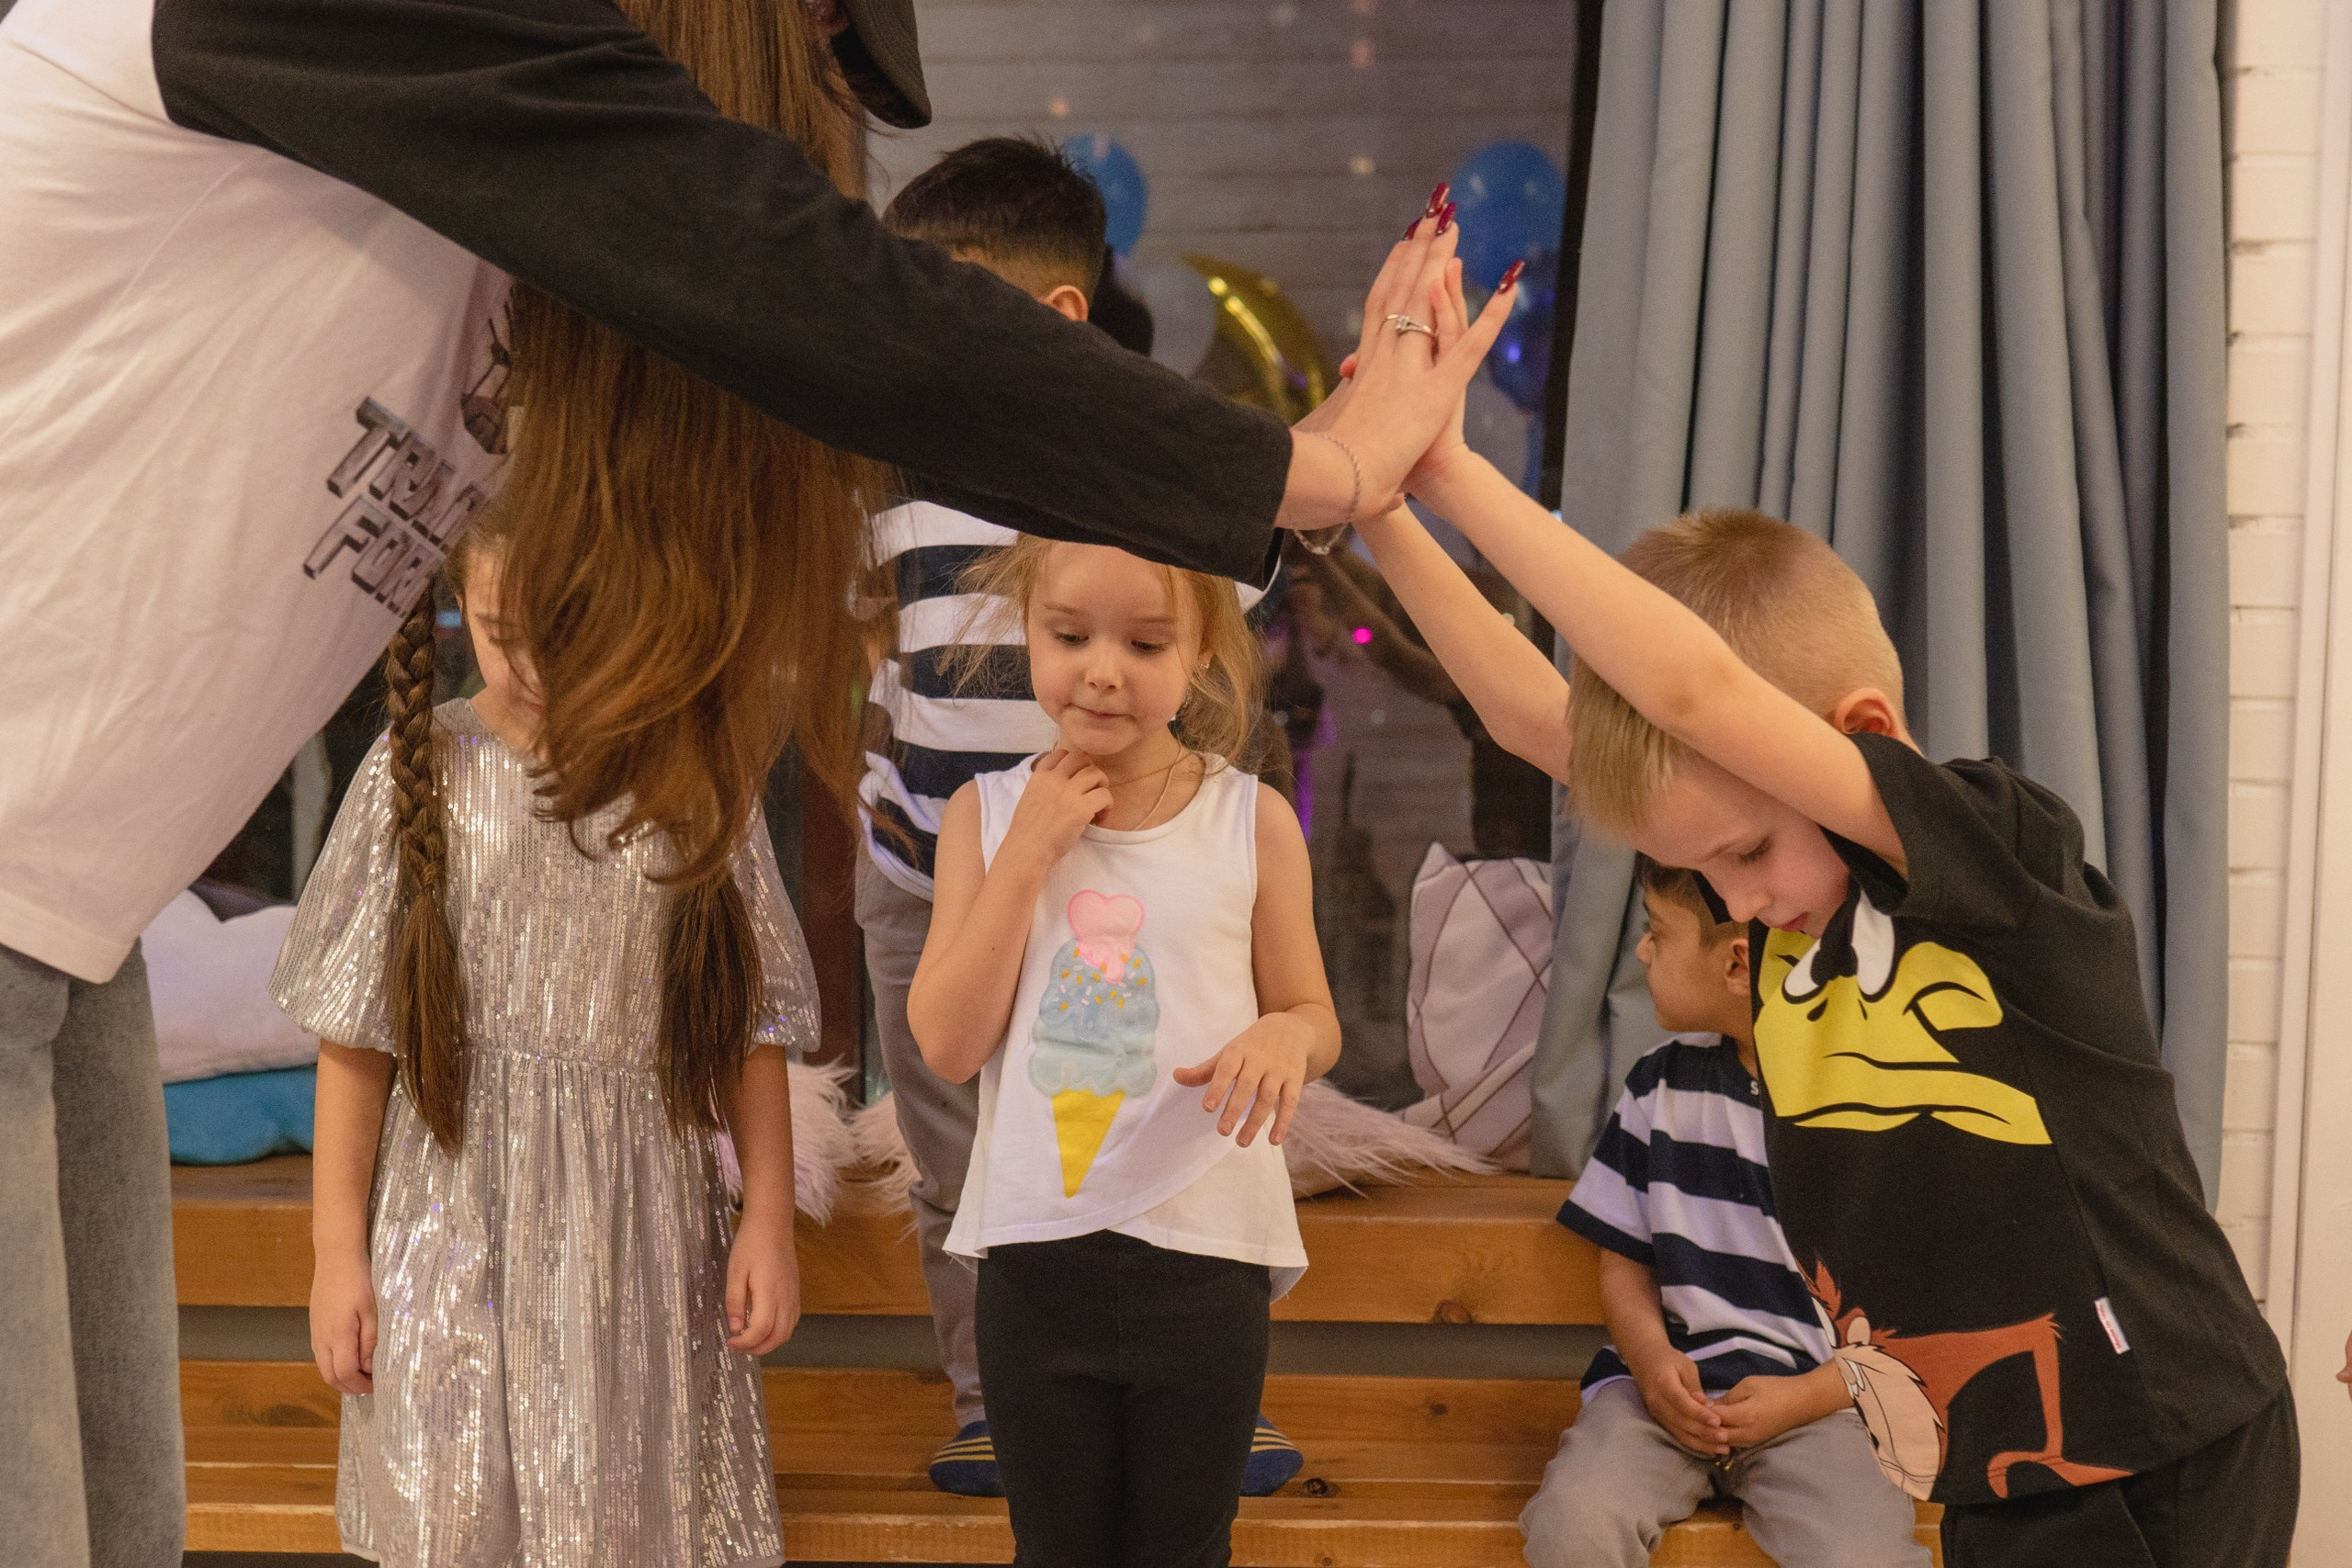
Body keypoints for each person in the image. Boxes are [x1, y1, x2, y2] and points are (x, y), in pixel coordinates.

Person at [0, 0, 1503, 1551]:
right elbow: (829, 303)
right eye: (794, 88)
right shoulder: (378, 23)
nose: (783, 147)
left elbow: (829, 344)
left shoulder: (498, 201)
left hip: (68, 934)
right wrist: (1304, 465)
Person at [1339, 267, 2296, 1566]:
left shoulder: (1994, 858)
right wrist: (1377, 498)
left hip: (2159, 1442)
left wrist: (1451, 468)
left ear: (1857, 739)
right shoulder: (1793, 916)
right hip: (2000, 1463)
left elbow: (1694, 684)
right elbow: (1525, 713)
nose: (1742, 903)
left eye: (1748, 849)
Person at [854, 135, 1300, 1499]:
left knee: (1165, 1103)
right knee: (953, 1147)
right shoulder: (890, 468)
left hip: (1111, 866)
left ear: (1053, 318)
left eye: (944, 300)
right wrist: (889, 809)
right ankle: (993, 1393)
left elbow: (1212, 649)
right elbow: (872, 646)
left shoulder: (1142, 470)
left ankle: (1205, 1379)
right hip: (928, 864)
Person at [277, 507, 812, 1567]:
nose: (529, 661)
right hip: (450, 1230)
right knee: (453, 1513)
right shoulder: (413, 774)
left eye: (564, 626)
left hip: (639, 1243)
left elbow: (750, 1031)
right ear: (458, 605)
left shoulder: (691, 779)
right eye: (497, 626)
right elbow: (355, 1041)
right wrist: (337, 1253)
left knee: (622, 1522)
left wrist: (770, 1221)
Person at [905, 535, 1339, 1567]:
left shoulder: (1253, 820)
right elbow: (948, 1044)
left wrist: (1287, 1033)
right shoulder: (987, 815)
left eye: (1144, 642)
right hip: (1032, 1260)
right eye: (1069, 634)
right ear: (1029, 633)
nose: (1102, 668)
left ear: (1202, 654)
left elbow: (1313, 1013)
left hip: (1206, 1260)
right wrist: (1029, 854)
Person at [1521, 856, 1927, 1568]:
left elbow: (1913, 1316)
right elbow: (1625, 1267)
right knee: (1572, 1523)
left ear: (1738, 963)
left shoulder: (1874, 1111)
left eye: (1659, 932)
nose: (1643, 950)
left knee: (1864, 1557)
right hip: (1659, 1407)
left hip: (1825, 1412)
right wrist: (1651, 1365)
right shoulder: (1657, 1085)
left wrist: (1804, 1397)